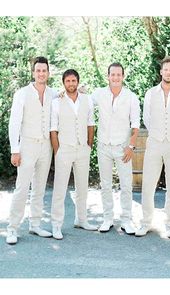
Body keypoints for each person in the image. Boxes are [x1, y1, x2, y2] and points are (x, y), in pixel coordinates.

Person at [135, 56, 170, 238]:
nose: (168, 72)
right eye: (165, 69)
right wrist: (158, 133)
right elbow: (146, 118)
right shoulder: (151, 93)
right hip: (154, 143)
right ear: (161, 71)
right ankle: (146, 222)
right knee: (148, 185)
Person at [7, 56, 56, 244]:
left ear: (48, 73)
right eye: (38, 70)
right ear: (33, 72)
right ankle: (12, 228)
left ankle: (35, 224)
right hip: (27, 144)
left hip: (46, 146)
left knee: (39, 187)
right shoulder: (22, 93)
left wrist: (81, 91)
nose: (41, 73)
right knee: (21, 187)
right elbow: (15, 122)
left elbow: (69, 95)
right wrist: (15, 149)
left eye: (44, 70)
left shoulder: (53, 93)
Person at [91, 63, 140, 235]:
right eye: (113, 74)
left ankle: (126, 220)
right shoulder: (99, 94)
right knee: (105, 184)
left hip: (123, 147)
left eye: (119, 74)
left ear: (123, 76)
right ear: (108, 76)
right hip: (103, 146)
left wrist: (131, 146)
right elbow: (82, 102)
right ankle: (107, 219)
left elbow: (135, 125)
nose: (116, 77)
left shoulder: (131, 97)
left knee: (126, 185)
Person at [50, 69, 97, 240]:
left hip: (82, 149)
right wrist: (58, 151)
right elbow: (53, 129)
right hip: (64, 149)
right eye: (68, 81)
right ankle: (56, 224)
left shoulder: (87, 99)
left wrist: (89, 145)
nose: (71, 83)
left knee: (82, 186)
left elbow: (91, 124)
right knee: (60, 188)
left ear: (78, 82)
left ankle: (82, 219)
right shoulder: (57, 102)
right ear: (63, 83)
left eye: (74, 80)